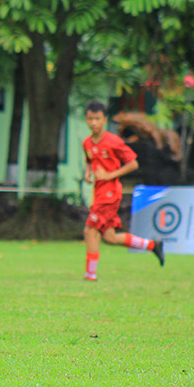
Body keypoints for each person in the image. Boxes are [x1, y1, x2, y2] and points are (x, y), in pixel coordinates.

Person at [82, 100, 165, 280]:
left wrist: (110, 175)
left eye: (97, 118)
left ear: (104, 120)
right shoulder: (87, 143)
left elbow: (133, 163)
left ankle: (90, 274)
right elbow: (90, 162)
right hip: (98, 193)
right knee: (110, 237)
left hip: (110, 193)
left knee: (90, 231)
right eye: (90, 119)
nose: (93, 123)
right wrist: (88, 173)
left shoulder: (113, 141)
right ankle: (152, 245)